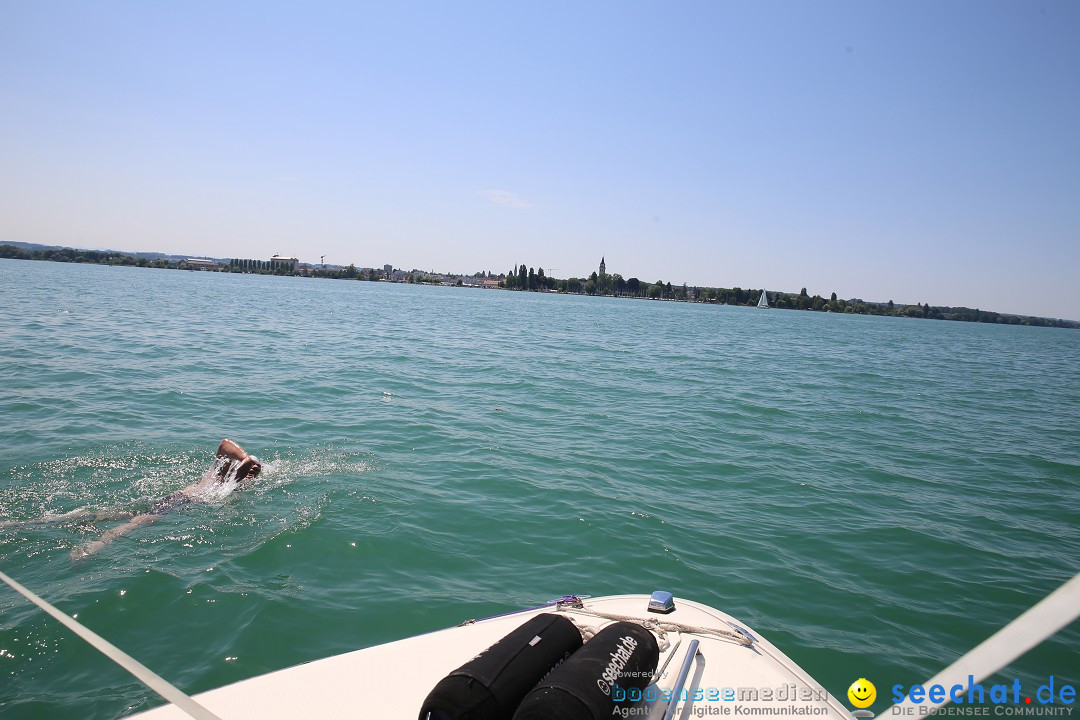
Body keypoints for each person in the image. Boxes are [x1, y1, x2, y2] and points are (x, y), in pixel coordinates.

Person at [0, 439, 260, 557]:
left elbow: (225, 444)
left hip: (174, 497)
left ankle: (24, 523)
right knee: (139, 522)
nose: (252, 474)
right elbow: (230, 446)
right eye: (252, 472)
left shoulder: (216, 474)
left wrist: (246, 462)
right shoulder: (226, 480)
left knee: (107, 513)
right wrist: (246, 459)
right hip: (181, 502)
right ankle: (97, 545)